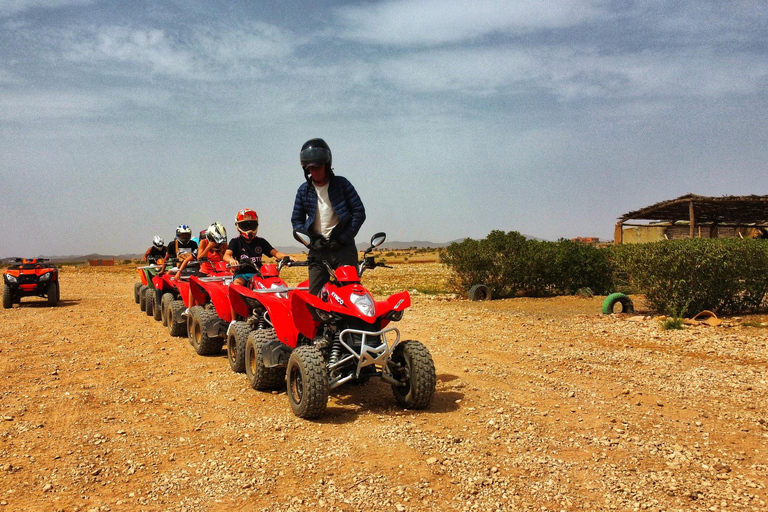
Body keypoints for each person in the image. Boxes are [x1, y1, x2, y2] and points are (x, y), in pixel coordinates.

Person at [291, 138, 366, 295]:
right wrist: (310, 242)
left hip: (343, 249)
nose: (315, 171)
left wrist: (342, 238)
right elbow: (297, 221)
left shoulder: (342, 184)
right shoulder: (303, 191)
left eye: (318, 167)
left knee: (350, 294)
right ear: (306, 170)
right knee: (315, 297)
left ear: (326, 164)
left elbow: (359, 212)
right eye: (311, 168)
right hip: (318, 251)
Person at [224, 208, 290, 287]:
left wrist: (289, 257)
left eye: (252, 225)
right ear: (238, 226)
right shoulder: (235, 241)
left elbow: (276, 253)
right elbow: (226, 255)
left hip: (258, 274)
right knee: (237, 284)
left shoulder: (261, 241)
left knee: (272, 285)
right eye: (245, 225)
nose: (249, 229)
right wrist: (231, 260)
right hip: (242, 274)